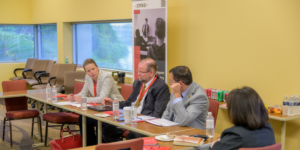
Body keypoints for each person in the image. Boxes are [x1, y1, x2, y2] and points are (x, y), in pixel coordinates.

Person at [101, 58, 170, 142]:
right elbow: (128, 103)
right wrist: (113, 103)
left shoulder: (161, 87)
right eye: (138, 71)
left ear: (151, 73)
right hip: (132, 120)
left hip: (145, 124)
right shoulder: (137, 83)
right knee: (107, 131)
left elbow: (157, 114)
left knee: (132, 136)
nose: (138, 74)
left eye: (141, 72)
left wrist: (135, 122)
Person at [67, 59, 124, 146]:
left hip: (114, 107)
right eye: (89, 71)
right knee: (83, 118)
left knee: (98, 121)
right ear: (85, 72)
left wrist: (82, 100)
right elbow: (83, 93)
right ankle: (90, 146)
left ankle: (100, 146)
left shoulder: (106, 77)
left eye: (93, 69)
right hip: (100, 108)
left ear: (97, 67)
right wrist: (74, 97)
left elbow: (102, 98)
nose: (92, 72)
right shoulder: (88, 77)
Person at [211, 86, 275, 150]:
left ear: (235, 111)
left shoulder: (237, 136)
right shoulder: (268, 128)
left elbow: (215, 148)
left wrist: (215, 143)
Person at [162, 66, 209, 130]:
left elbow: (184, 120)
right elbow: (168, 110)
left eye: (171, 81)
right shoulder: (176, 89)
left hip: (191, 135)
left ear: (180, 84)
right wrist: (162, 126)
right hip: (173, 131)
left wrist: (177, 95)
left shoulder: (199, 96)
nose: (170, 84)